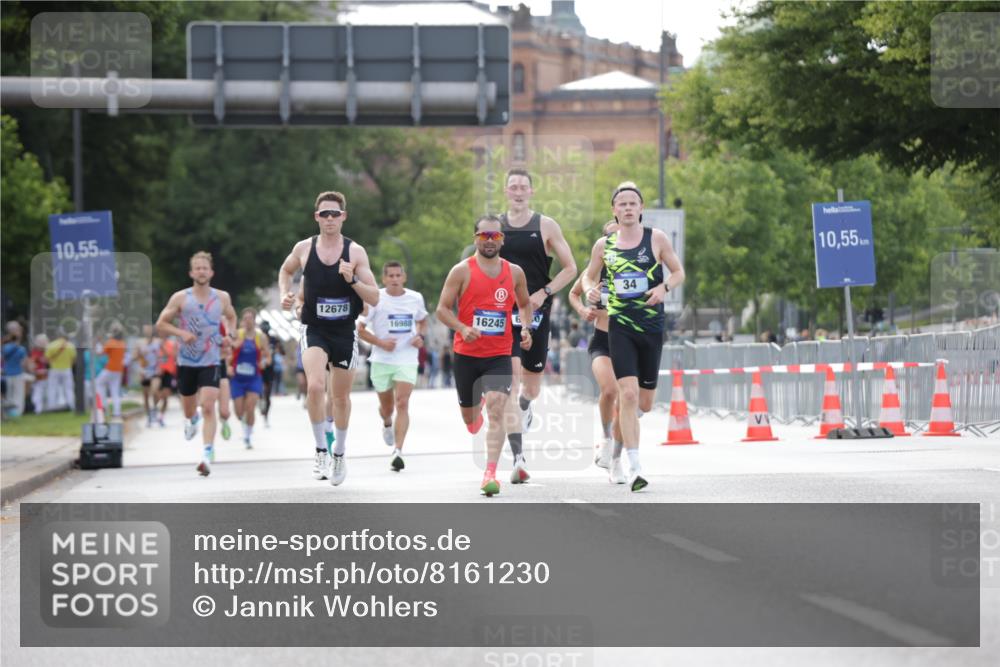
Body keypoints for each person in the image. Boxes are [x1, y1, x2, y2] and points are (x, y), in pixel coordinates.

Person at [581, 182, 686, 492]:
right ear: (614, 210)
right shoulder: (604, 245)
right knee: (626, 395)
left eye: (632, 203)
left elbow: (678, 272)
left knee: (644, 403)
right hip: (620, 328)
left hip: (651, 328)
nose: (627, 208)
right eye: (622, 204)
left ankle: (618, 449)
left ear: (641, 209)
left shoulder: (657, 238)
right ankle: (634, 466)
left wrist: (664, 288)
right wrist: (589, 290)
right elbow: (588, 276)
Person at [279, 190, 379, 486]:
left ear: (343, 217)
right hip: (314, 327)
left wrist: (352, 279)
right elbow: (285, 270)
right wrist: (285, 293)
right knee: (314, 386)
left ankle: (339, 453)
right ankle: (321, 450)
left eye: (335, 213)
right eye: (325, 214)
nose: (330, 218)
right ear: (317, 217)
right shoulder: (304, 248)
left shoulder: (356, 252)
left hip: (344, 331)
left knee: (340, 397)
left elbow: (374, 297)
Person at [435, 214, 532, 497]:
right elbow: (442, 309)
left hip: (499, 354)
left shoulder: (515, 272)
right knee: (470, 419)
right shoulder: (461, 271)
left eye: (495, 236)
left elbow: (525, 304)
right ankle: (472, 415)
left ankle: (490, 473)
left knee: (497, 408)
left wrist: (526, 328)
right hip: (466, 354)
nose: (490, 241)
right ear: (475, 238)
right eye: (484, 235)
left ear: (502, 240)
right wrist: (462, 327)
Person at [498, 168, 577, 484]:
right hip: (504, 314)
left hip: (536, 313)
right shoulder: (495, 228)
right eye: (513, 187)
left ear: (531, 192)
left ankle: (526, 406)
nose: (518, 192)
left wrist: (543, 292)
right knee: (510, 383)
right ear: (506, 191)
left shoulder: (545, 225)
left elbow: (570, 268)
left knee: (530, 388)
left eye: (523, 187)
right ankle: (518, 458)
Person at [155, 251, 238, 476]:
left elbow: (231, 316)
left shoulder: (222, 297)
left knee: (209, 406)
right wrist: (181, 333)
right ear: (191, 273)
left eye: (205, 268)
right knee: (190, 410)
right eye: (197, 268)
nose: (201, 271)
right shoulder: (180, 298)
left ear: (211, 273)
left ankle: (207, 454)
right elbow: (161, 324)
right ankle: (191, 419)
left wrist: (230, 335)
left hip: (211, 360)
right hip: (186, 361)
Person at [357, 261, 429, 472]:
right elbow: (360, 329)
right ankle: (387, 422)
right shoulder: (376, 298)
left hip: (407, 358)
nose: (395, 279)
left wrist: (420, 336)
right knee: (387, 408)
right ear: (384, 279)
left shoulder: (415, 298)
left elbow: (423, 320)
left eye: (398, 275)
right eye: (391, 276)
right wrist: (380, 343)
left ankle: (398, 451)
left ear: (404, 277)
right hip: (381, 360)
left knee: (403, 403)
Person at [570, 220, 626, 482]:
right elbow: (573, 293)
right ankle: (606, 438)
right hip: (602, 340)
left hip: (629, 340)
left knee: (627, 401)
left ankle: (617, 459)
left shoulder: (635, 270)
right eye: (610, 237)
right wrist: (584, 310)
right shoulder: (594, 274)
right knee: (610, 390)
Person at [229, 307, 271, 449]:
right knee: (239, 412)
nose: (248, 321)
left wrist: (264, 363)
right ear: (242, 321)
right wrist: (228, 366)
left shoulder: (260, 337)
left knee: (250, 406)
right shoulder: (237, 335)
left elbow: (268, 357)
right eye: (245, 318)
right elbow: (228, 353)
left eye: (250, 318)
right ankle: (245, 424)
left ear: (254, 320)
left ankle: (247, 436)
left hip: (254, 378)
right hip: (237, 379)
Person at [95, 326, 127, 420]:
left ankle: (103, 406)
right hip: (119, 370)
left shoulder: (111, 342)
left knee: (98, 383)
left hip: (110, 368)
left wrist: (98, 343)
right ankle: (117, 412)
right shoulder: (122, 343)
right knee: (115, 391)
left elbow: (101, 352)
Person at [44, 329, 76, 411]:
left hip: (54, 369)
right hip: (67, 369)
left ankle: (51, 406)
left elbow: (46, 359)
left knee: (52, 388)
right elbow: (73, 359)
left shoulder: (51, 345)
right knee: (69, 388)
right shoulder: (70, 345)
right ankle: (71, 405)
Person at [2, 322, 28, 417]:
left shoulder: (5, 347)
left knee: (10, 394)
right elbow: (24, 363)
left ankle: (11, 413)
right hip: (15, 373)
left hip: (10, 373)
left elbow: (3, 359)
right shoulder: (20, 348)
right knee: (17, 394)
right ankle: (16, 412)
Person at [138, 325, 162, 426]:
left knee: (154, 391)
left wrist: (161, 366)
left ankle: (155, 409)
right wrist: (140, 354)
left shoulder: (158, 342)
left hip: (155, 371)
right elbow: (135, 356)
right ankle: (149, 416)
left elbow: (165, 355)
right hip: (145, 372)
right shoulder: (140, 343)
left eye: (149, 329)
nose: (147, 331)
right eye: (145, 329)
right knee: (146, 396)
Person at [259, 320, 280, 427]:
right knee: (259, 390)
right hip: (258, 367)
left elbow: (282, 351)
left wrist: (276, 349)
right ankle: (260, 402)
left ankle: (266, 416)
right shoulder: (257, 338)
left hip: (270, 369)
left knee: (267, 393)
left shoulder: (274, 339)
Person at [155, 336, 178, 426]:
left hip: (168, 372)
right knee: (155, 391)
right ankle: (154, 412)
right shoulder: (156, 344)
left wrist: (163, 348)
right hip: (158, 373)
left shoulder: (171, 344)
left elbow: (173, 355)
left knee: (165, 397)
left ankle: (161, 417)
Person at [217, 322, 233, 441]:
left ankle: (224, 421)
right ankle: (208, 446)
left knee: (224, 412)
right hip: (203, 368)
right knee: (206, 405)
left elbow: (228, 351)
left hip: (221, 367)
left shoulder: (222, 323)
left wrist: (228, 365)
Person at [27, 334, 50, 414]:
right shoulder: (34, 352)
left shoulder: (46, 351)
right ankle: (37, 409)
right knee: (38, 392)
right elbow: (31, 365)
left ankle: (44, 408)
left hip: (46, 374)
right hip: (39, 375)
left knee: (46, 393)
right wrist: (34, 371)